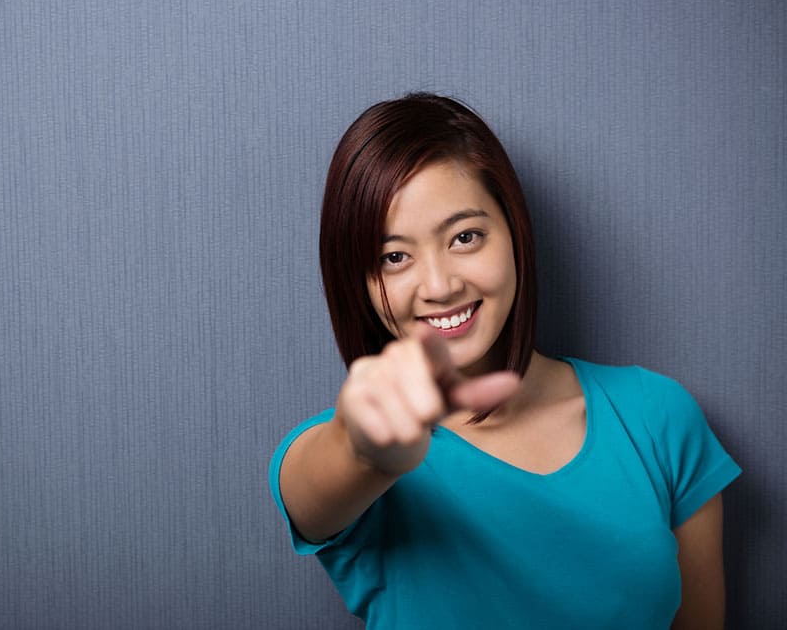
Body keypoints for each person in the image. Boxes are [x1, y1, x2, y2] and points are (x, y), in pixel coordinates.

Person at [269, 93, 741, 629]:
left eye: (465, 237)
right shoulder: (341, 455)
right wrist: (367, 452)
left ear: (514, 233)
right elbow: (323, 482)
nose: (440, 285)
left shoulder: (658, 418)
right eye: (394, 257)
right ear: (358, 282)